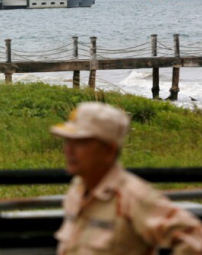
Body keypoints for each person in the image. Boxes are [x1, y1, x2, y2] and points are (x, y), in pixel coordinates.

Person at [51, 102, 202, 254]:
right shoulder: (78, 189)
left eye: (81, 142)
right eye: (67, 141)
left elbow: (195, 239)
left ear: (109, 150)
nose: (69, 150)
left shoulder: (132, 196)